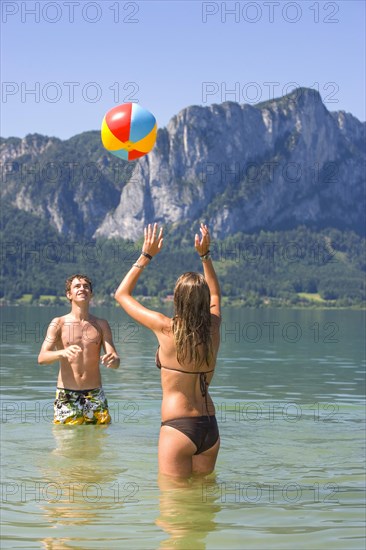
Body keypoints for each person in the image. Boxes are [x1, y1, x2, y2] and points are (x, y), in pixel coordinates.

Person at [114, 223, 221, 477]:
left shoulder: (165, 328)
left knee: (172, 507)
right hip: (210, 427)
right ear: (204, 301)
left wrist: (146, 255)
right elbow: (216, 295)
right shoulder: (214, 328)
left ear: (176, 300)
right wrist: (205, 256)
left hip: (178, 427)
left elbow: (121, 294)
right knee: (204, 502)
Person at [38, 274, 120, 425]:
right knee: (66, 444)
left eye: (86, 286)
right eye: (77, 286)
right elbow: (42, 358)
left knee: (98, 443)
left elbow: (115, 360)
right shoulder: (58, 323)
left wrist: (113, 360)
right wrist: (62, 352)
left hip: (95, 394)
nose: (82, 288)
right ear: (69, 294)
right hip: (67, 395)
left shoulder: (102, 325)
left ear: (91, 294)